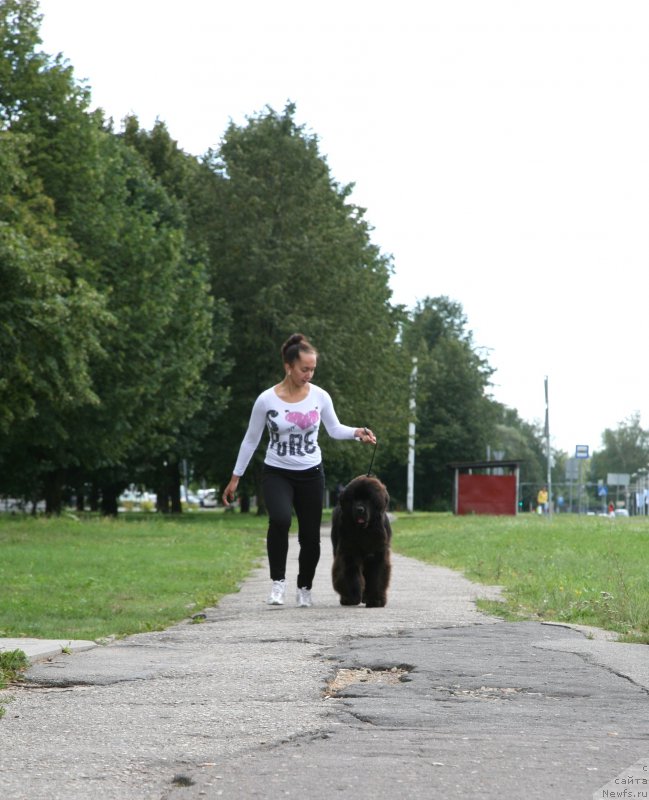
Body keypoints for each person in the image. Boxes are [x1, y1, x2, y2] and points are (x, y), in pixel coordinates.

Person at [221, 333, 376, 608]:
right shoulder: (266, 400)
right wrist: (236, 477)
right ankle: (277, 584)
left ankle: (304, 587)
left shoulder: (320, 396)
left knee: (310, 536)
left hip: (311, 472)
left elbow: (334, 428)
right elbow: (251, 439)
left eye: (313, 369)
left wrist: (357, 433)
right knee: (279, 520)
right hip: (276, 471)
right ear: (288, 366)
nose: (309, 374)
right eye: (304, 369)